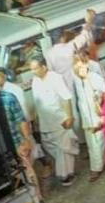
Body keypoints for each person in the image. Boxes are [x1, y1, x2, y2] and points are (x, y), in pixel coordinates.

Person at [0, 68, 41, 202]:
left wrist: (26, 140)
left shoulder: (9, 98)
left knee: (27, 169)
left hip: (17, 142)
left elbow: (21, 120)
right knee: (17, 174)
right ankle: (28, 199)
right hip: (3, 147)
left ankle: (38, 197)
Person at [29, 56, 78, 187]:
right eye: (31, 69)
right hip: (45, 122)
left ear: (44, 67)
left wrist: (69, 117)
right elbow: (36, 103)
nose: (33, 71)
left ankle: (66, 175)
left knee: (63, 148)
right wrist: (35, 119)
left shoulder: (55, 78)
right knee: (49, 147)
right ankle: (65, 170)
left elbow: (66, 98)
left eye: (35, 68)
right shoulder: (35, 81)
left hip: (59, 119)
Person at [73, 59, 105, 182]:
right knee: (92, 143)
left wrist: (98, 99)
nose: (79, 69)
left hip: (97, 115)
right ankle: (100, 163)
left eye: (81, 66)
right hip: (86, 117)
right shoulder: (77, 81)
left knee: (98, 141)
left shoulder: (94, 77)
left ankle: (96, 168)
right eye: (76, 67)